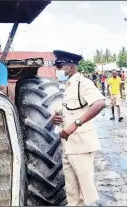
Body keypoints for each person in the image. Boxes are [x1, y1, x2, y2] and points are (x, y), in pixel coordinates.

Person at [52, 50, 106, 206]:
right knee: (72, 191)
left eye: (61, 66)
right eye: (57, 67)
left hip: (81, 145)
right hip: (68, 146)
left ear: (72, 66)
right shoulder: (66, 86)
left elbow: (99, 103)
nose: (58, 70)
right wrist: (55, 118)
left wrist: (76, 124)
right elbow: (67, 110)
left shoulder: (83, 83)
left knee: (87, 191)